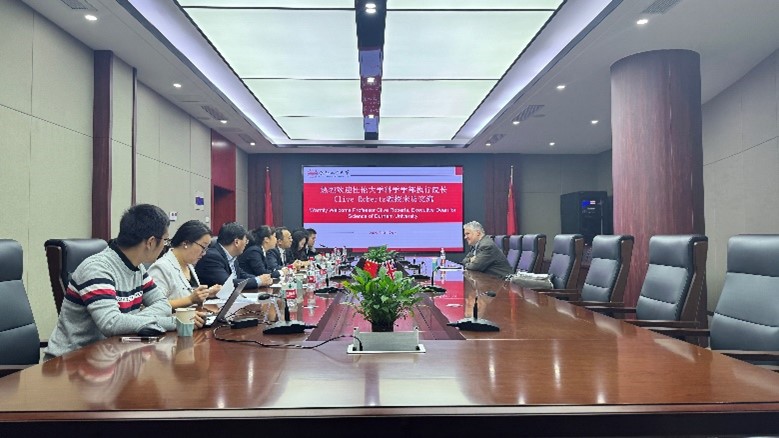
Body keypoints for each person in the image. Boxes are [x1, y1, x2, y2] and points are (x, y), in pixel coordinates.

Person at [45, 204, 200, 358]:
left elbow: (162, 303)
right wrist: (176, 322)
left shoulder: (138, 268)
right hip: (72, 360)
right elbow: (111, 323)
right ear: (151, 242)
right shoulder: (97, 269)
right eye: (165, 241)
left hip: (111, 354)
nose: (165, 247)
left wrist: (132, 321)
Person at [148, 220, 221, 310]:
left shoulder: (188, 265)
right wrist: (190, 300)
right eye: (203, 247)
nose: (204, 253)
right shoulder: (161, 268)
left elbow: (189, 295)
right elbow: (154, 305)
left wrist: (207, 293)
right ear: (185, 243)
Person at [195, 222, 271, 288]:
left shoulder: (232, 256)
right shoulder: (212, 257)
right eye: (246, 241)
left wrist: (262, 279)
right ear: (236, 242)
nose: (246, 244)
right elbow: (228, 284)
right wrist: (258, 281)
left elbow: (241, 275)